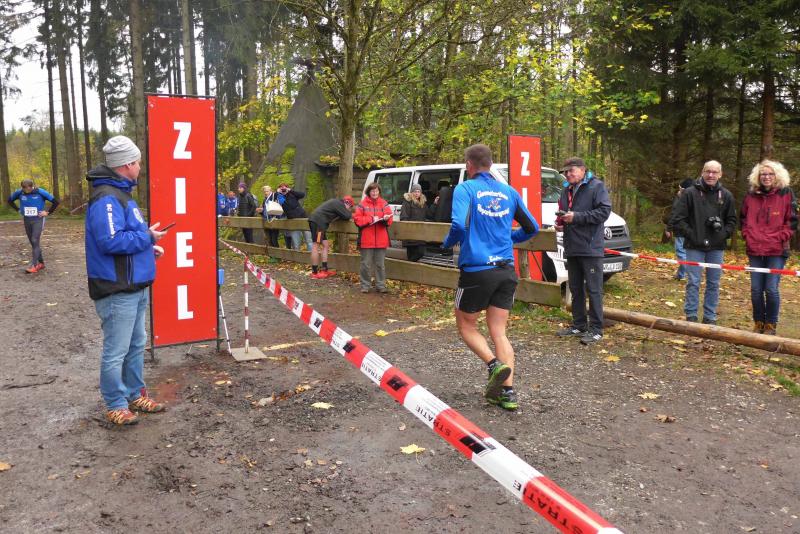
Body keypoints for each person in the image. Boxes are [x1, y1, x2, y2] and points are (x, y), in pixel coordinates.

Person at [442, 144, 539, 411]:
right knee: (499, 332)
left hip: (477, 270)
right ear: (491, 164)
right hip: (506, 270)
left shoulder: (465, 189)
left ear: (469, 165)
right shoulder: (509, 191)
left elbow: (458, 224)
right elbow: (532, 227)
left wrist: (447, 243)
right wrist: (510, 238)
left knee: (466, 326)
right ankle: (507, 393)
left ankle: (494, 365)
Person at [84, 135, 167, 426]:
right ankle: (115, 403)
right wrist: (147, 237)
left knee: (135, 345)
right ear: (128, 164)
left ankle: (134, 394)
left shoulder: (122, 195)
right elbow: (110, 241)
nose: (140, 167)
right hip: (116, 289)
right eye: (138, 162)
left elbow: (126, 239)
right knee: (116, 350)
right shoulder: (107, 198)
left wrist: (148, 249)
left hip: (134, 286)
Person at [670, 160, 737, 325]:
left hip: (717, 246)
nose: (711, 175)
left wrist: (723, 235)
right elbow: (678, 218)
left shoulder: (726, 195)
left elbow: (732, 220)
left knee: (713, 283)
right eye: (708, 171)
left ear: (720, 174)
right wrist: (692, 234)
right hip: (694, 245)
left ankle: (710, 316)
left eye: (715, 172)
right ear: (702, 172)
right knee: (693, 281)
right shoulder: (690, 193)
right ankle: (691, 315)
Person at [555, 157, 612, 345]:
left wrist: (577, 217)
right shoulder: (566, 189)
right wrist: (561, 223)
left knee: (594, 290)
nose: (567, 174)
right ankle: (579, 325)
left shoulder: (596, 186)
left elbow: (604, 212)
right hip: (572, 246)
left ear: (582, 170)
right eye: (565, 172)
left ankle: (596, 329)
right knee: (575, 288)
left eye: (571, 170)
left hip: (590, 247)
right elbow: (566, 212)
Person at [740, 160, 797, 335]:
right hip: (755, 248)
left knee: (771, 289)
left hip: (777, 250)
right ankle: (759, 323)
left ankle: (771, 325)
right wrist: (747, 235)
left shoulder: (786, 193)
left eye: (770, 174)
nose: (766, 177)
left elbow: (793, 221)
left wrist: (781, 237)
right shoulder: (750, 195)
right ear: (758, 176)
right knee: (756, 290)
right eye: (763, 174)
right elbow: (743, 219)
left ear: (777, 175)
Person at [7, 178, 60, 273]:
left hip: (38, 219)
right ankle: (41, 263)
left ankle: (34, 265)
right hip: (27, 219)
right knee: (33, 242)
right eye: (24, 189)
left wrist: (47, 212)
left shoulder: (40, 192)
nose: (26, 191)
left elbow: (56, 202)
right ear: (22, 188)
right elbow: (9, 200)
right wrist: (18, 209)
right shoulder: (19, 192)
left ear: (32, 187)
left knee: (35, 240)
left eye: (28, 189)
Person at [354, 182, 393, 292]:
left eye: (376, 191)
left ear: (379, 192)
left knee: (380, 265)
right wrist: (371, 219)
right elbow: (357, 220)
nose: (375, 193)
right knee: (365, 264)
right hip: (366, 240)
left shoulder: (384, 204)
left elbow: (390, 219)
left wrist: (386, 219)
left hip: (381, 239)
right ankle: (365, 286)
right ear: (369, 192)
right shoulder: (362, 204)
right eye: (372, 191)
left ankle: (380, 286)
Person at [308, 195, 354, 278]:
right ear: (347, 203)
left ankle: (324, 269)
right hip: (319, 223)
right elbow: (347, 216)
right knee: (316, 245)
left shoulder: (335, 202)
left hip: (318, 223)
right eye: (350, 207)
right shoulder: (339, 204)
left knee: (325, 245)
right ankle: (314, 272)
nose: (348, 209)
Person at [664, 178, 695, 280]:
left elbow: (675, 214)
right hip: (691, 230)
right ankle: (681, 274)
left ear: (683, 189)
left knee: (681, 253)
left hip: (681, 230)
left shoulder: (682, 199)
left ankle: (687, 275)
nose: (678, 189)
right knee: (687, 253)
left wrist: (668, 228)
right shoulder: (696, 198)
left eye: (680, 188)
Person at [400, 183, 434, 262]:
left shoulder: (423, 203)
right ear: (412, 192)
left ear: (421, 193)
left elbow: (429, 215)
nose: (417, 193)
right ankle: (410, 267)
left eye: (418, 191)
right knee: (411, 255)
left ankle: (409, 265)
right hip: (410, 234)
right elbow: (404, 217)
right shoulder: (407, 202)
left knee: (420, 252)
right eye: (415, 191)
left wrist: (435, 204)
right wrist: (407, 232)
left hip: (420, 234)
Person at [277, 183, 313, 251]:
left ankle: (311, 255)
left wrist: (290, 190)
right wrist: (278, 193)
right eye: (281, 188)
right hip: (292, 221)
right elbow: (282, 204)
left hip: (303, 218)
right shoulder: (280, 198)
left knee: (309, 240)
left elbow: (302, 195)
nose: (283, 189)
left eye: (284, 188)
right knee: (296, 244)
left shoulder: (292, 194)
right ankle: (297, 257)